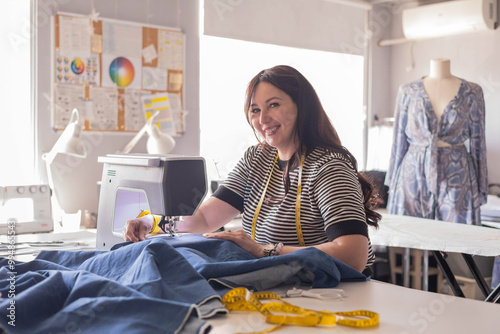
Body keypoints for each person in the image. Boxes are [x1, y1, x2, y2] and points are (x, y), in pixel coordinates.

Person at [124, 65, 381, 273]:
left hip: (334, 290)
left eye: (274, 105)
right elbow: (204, 219)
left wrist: (264, 250)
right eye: (255, 110)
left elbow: (353, 254)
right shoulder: (257, 159)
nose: (262, 119)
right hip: (281, 282)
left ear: (302, 107)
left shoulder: (328, 167)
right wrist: (152, 222)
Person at [385, 58, 488, 225]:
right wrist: (392, 181)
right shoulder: (407, 91)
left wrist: (481, 185)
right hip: (413, 172)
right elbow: (398, 140)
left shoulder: (472, 92)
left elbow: (479, 142)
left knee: (456, 236)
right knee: (412, 233)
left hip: (457, 171)